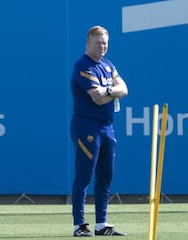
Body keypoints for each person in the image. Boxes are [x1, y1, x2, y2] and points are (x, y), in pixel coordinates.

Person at [70, 25, 128, 237]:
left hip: (107, 127)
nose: (102, 46)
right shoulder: (83, 66)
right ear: (88, 43)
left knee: (105, 176)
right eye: (98, 43)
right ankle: (79, 225)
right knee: (84, 175)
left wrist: (110, 90)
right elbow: (96, 97)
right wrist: (113, 92)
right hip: (87, 126)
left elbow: (124, 88)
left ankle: (101, 224)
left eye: (105, 42)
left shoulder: (107, 64)